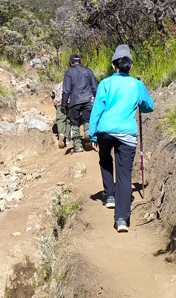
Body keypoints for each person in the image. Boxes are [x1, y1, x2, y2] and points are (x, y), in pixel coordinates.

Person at [88, 44, 154, 233]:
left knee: (104, 158)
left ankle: (109, 196)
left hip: (105, 131)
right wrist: (142, 90)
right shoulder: (136, 84)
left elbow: (97, 110)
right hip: (127, 134)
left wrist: (93, 134)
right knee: (124, 176)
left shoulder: (105, 83)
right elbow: (148, 107)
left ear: (113, 65)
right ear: (130, 66)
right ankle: (121, 219)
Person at [61, 54, 98, 153]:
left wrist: (63, 105)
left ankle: (77, 146)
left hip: (75, 101)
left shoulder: (68, 73)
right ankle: (88, 134)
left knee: (74, 123)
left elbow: (66, 90)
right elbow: (94, 87)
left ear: (70, 63)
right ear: (81, 62)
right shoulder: (88, 71)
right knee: (87, 119)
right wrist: (97, 101)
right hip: (88, 99)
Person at [51, 80, 72, 149]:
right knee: (68, 120)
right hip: (69, 103)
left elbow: (52, 95)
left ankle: (61, 134)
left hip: (59, 103)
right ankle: (67, 138)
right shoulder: (71, 84)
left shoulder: (57, 86)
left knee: (60, 120)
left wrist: (55, 103)